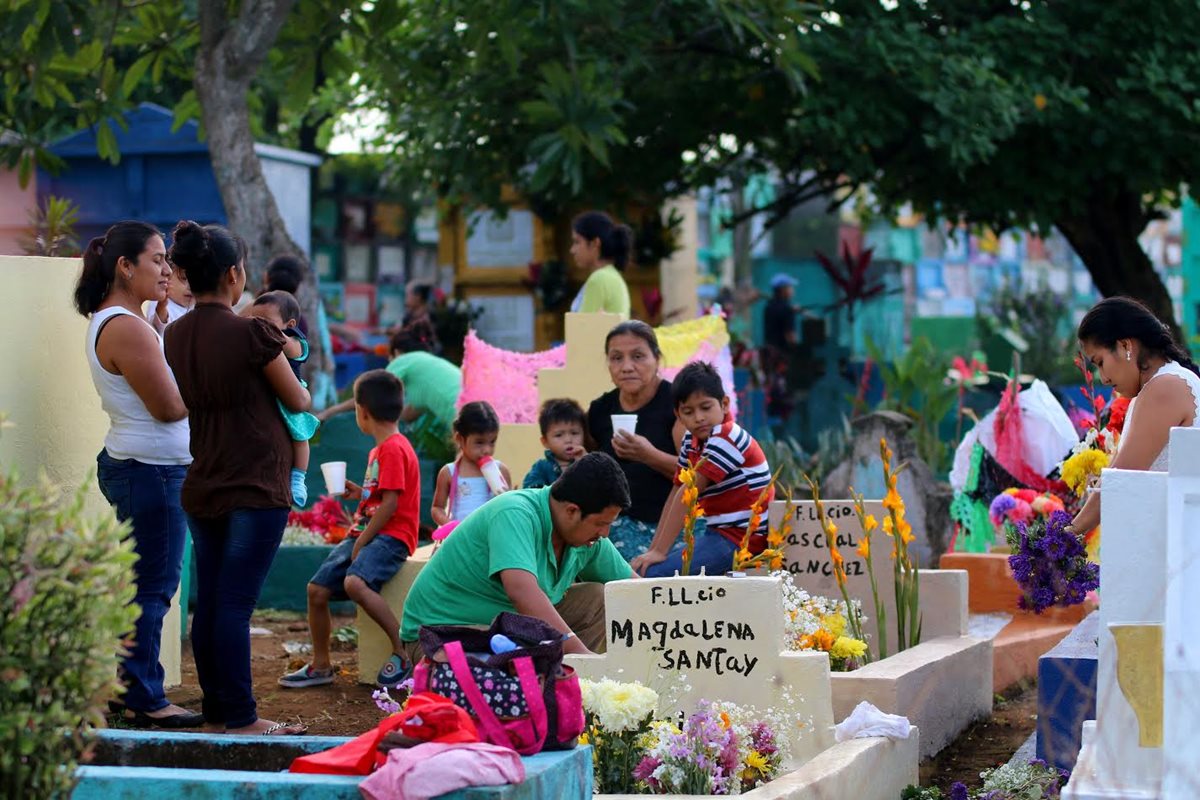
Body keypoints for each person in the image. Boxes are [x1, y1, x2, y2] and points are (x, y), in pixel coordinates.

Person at [163, 220, 310, 736]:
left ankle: (219, 710)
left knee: (213, 601)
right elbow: (299, 399)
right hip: (254, 483)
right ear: (233, 274)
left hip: (203, 480)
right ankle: (243, 717)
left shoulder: (174, 333)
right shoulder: (253, 332)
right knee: (235, 602)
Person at [75, 221, 203, 729]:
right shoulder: (125, 326)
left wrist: (164, 326)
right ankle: (145, 696)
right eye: (156, 259)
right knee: (153, 587)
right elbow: (170, 407)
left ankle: (128, 685)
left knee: (145, 584)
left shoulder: (132, 319)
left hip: (145, 466)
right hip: (151, 470)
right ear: (125, 267)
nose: (167, 269)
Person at [400, 452, 635, 661]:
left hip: (508, 631)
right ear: (572, 511)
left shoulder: (588, 537)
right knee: (498, 686)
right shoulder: (515, 512)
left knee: (595, 598)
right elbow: (521, 592)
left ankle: (570, 687)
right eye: (601, 524)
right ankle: (565, 681)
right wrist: (584, 657)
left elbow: (636, 589)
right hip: (444, 633)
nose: (605, 534)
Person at [279, 370, 420, 689]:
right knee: (316, 591)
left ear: (363, 412)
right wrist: (362, 493)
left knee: (356, 583)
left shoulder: (394, 448)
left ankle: (402, 649)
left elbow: (392, 506)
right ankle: (321, 665)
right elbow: (382, 496)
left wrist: (363, 542)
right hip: (366, 533)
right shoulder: (381, 450)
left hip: (390, 537)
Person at [1068, 297, 1200, 534]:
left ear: (1126, 346)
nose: (1103, 378)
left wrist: (1064, 536)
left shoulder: (1164, 387)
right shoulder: (1161, 385)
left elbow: (1121, 477)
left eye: (1100, 362)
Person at [630, 362, 774, 577]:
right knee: (645, 569)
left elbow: (689, 492)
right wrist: (654, 551)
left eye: (705, 408)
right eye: (688, 411)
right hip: (718, 533)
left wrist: (660, 552)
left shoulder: (726, 437)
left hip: (743, 541)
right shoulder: (692, 438)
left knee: (654, 577)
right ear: (678, 415)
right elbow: (676, 490)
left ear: (724, 405)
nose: (698, 418)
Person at [586, 320, 683, 560]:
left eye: (638, 356)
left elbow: (698, 473)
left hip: (667, 526)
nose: (627, 366)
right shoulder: (599, 410)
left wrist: (648, 455)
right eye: (617, 358)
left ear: (657, 359)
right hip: (614, 525)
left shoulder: (678, 405)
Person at [317, 327, 460, 463]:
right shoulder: (426, 371)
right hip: (474, 406)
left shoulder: (404, 360)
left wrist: (329, 412)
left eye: (389, 359)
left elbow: (372, 390)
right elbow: (405, 416)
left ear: (396, 353)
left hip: (462, 414)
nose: (390, 364)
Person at [243, 290, 321, 507]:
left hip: (290, 396)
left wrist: (262, 330)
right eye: (254, 320)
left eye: (266, 321)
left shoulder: (295, 341)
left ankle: (298, 478)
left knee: (300, 437)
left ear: (290, 323)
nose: (258, 326)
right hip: (266, 399)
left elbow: (287, 347)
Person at [431, 401, 512, 528]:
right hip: (461, 539)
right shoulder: (448, 472)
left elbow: (507, 511)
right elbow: (437, 508)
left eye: (492, 442)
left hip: (488, 540)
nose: (487, 450)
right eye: (479, 442)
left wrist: (510, 499)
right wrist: (449, 525)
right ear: (460, 439)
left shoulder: (501, 470)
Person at [568, 211, 632, 316]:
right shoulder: (612, 275)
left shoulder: (599, 279)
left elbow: (582, 329)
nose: (572, 250)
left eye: (577, 242)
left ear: (595, 243)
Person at [522, 398, 588, 489]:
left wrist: (586, 464)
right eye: (559, 435)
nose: (568, 440)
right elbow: (530, 491)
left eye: (574, 433)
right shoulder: (541, 467)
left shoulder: (588, 462)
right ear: (545, 442)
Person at [147, 267, 194, 335]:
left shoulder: (198, 307)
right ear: (167, 279)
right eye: (184, 279)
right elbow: (158, 329)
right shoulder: (160, 302)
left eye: (196, 281)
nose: (190, 287)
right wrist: (161, 307)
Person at [762, 273, 799, 351]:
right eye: (790, 287)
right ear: (783, 289)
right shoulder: (787, 309)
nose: (792, 290)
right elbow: (790, 336)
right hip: (782, 355)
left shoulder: (769, 307)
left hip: (769, 353)